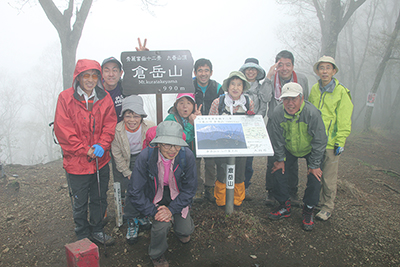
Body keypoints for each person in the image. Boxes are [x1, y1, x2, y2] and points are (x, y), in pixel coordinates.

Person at [54, 59, 117, 245]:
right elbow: (63, 130)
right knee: (79, 201)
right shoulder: (65, 98)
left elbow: (110, 124)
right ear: (78, 77)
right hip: (76, 162)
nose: (90, 80)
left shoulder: (104, 97)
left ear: (98, 78)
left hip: (101, 159)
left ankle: (97, 229)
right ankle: (81, 234)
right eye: (86, 75)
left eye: (94, 75)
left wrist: (102, 145)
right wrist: (85, 150)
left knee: (99, 196)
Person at [129, 121, 197, 267]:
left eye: (177, 144)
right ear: (158, 144)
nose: (173, 150)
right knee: (161, 226)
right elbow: (135, 191)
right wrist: (154, 212)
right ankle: (157, 254)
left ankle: (181, 226)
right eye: (167, 144)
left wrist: (171, 210)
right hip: (155, 194)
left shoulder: (187, 156)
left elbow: (190, 189)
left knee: (185, 232)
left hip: (177, 194)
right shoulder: (145, 157)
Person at [267, 82, 326, 231]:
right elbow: (277, 139)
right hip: (289, 147)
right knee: (277, 170)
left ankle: (308, 208)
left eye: (294, 99)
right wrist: (280, 159)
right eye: (286, 99)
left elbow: (319, 140)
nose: (290, 103)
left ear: (302, 98)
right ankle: (284, 205)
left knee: (315, 176)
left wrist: (314, 165)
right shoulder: (277, 113)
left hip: (309, 148)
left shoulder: (312, 113)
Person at [309, 56, 353, 221]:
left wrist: (340, 141)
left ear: (334, 71)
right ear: (318, 71)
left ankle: (327, 207)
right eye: (322, 68)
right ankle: (318, 202)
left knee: (328, 177)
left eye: (328, 68)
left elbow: (344, 119)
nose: (325, 71)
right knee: (315, 174)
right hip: (315, 141)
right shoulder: (314, 89)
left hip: (330, 143)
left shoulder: (341, 91)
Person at [264, 50, 310, 206]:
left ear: (293, 65)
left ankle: (292, 192)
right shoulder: (271, 79)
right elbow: (264, 98)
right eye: (280, 65)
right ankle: (271, 191)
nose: (284, 68)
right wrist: (269, 77)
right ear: (276, 65)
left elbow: (305, 99)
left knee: (292, 156)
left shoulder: (301, 79)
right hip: (274, 122)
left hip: (293, 121)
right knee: (273, 157)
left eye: (288, 65)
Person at [111, 95, 155, 244]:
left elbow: (154, 148)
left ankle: (142, 215)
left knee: (145, 187)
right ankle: (131, 219)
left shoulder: (149, 126)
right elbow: (116, 154)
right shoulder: (117, 130)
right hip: (126, 160)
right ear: (123, 115)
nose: (131, 120)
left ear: (141, 117)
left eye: (135, 116)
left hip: (142, 158)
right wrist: (127, 172)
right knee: (131, 189)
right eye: (128, 115)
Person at [209, 71, 255, 207]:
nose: (235, 88)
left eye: (239, 85)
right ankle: (222, 201)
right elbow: (211, 123)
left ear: (243, 87)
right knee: (223, 172)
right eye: (233, 84)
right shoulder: (218, 102)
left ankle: (237, 201)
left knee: (240, 173)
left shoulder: (248, 102)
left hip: (241, 145)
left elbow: (252, 124)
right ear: (227, 87)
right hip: (221, 144)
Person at [193, 58, 224, 202]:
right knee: (195, 161)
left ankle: (210, 187)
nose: (203, 73)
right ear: (195, 72)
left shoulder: (217, 87)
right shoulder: (189, 86)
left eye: (206, 70)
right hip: (193, 128)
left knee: (211, 161)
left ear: (211, 72)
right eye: (200, 70)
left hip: (212, 129)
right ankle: (198, 188)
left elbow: (223, 106)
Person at [239, 58, 268, 196]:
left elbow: (263, 107)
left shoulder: (261, 89)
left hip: (253, 127)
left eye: (253, 69)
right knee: (236, 157)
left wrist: (255, 119)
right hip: (238, 126)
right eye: (248, 69)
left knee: (248, 160)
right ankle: (235, 185)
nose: (250, 72)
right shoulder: (238, 86)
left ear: (257, 71)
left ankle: (246, 185)